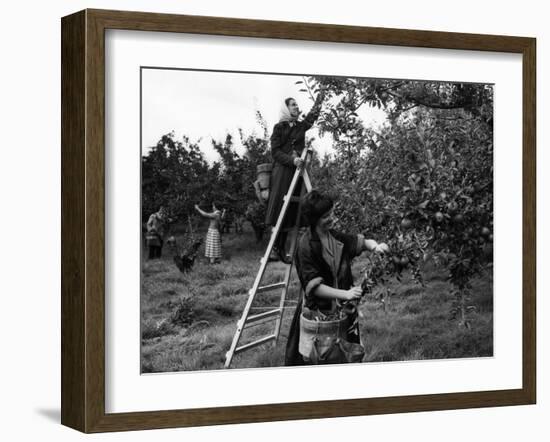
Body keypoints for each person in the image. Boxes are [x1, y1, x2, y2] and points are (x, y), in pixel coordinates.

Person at [285, 190, 388, 365]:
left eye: (331, 213)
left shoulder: (335, 237)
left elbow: (361, 243)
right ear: (314, 219)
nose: (331, 218)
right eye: (326, 216)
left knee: (345, 356)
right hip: (319, 313)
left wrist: (375, 246)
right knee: (318, 359)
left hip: (342, 312)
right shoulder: (306, 246)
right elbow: (314, 287)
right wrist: (345, 294)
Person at [265, 92, 325, 263]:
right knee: (280, 208)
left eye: (297, 105)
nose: (297, 107)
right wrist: (292, 159)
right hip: (283, 171)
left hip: (296, 172)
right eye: (293, 105)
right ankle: (276, 248)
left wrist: (321, 97)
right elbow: (275, 152)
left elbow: (312, 117)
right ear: (286, 108)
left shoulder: (300, 127)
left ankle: (282, 249)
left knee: (291, 209)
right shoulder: (279, 127)